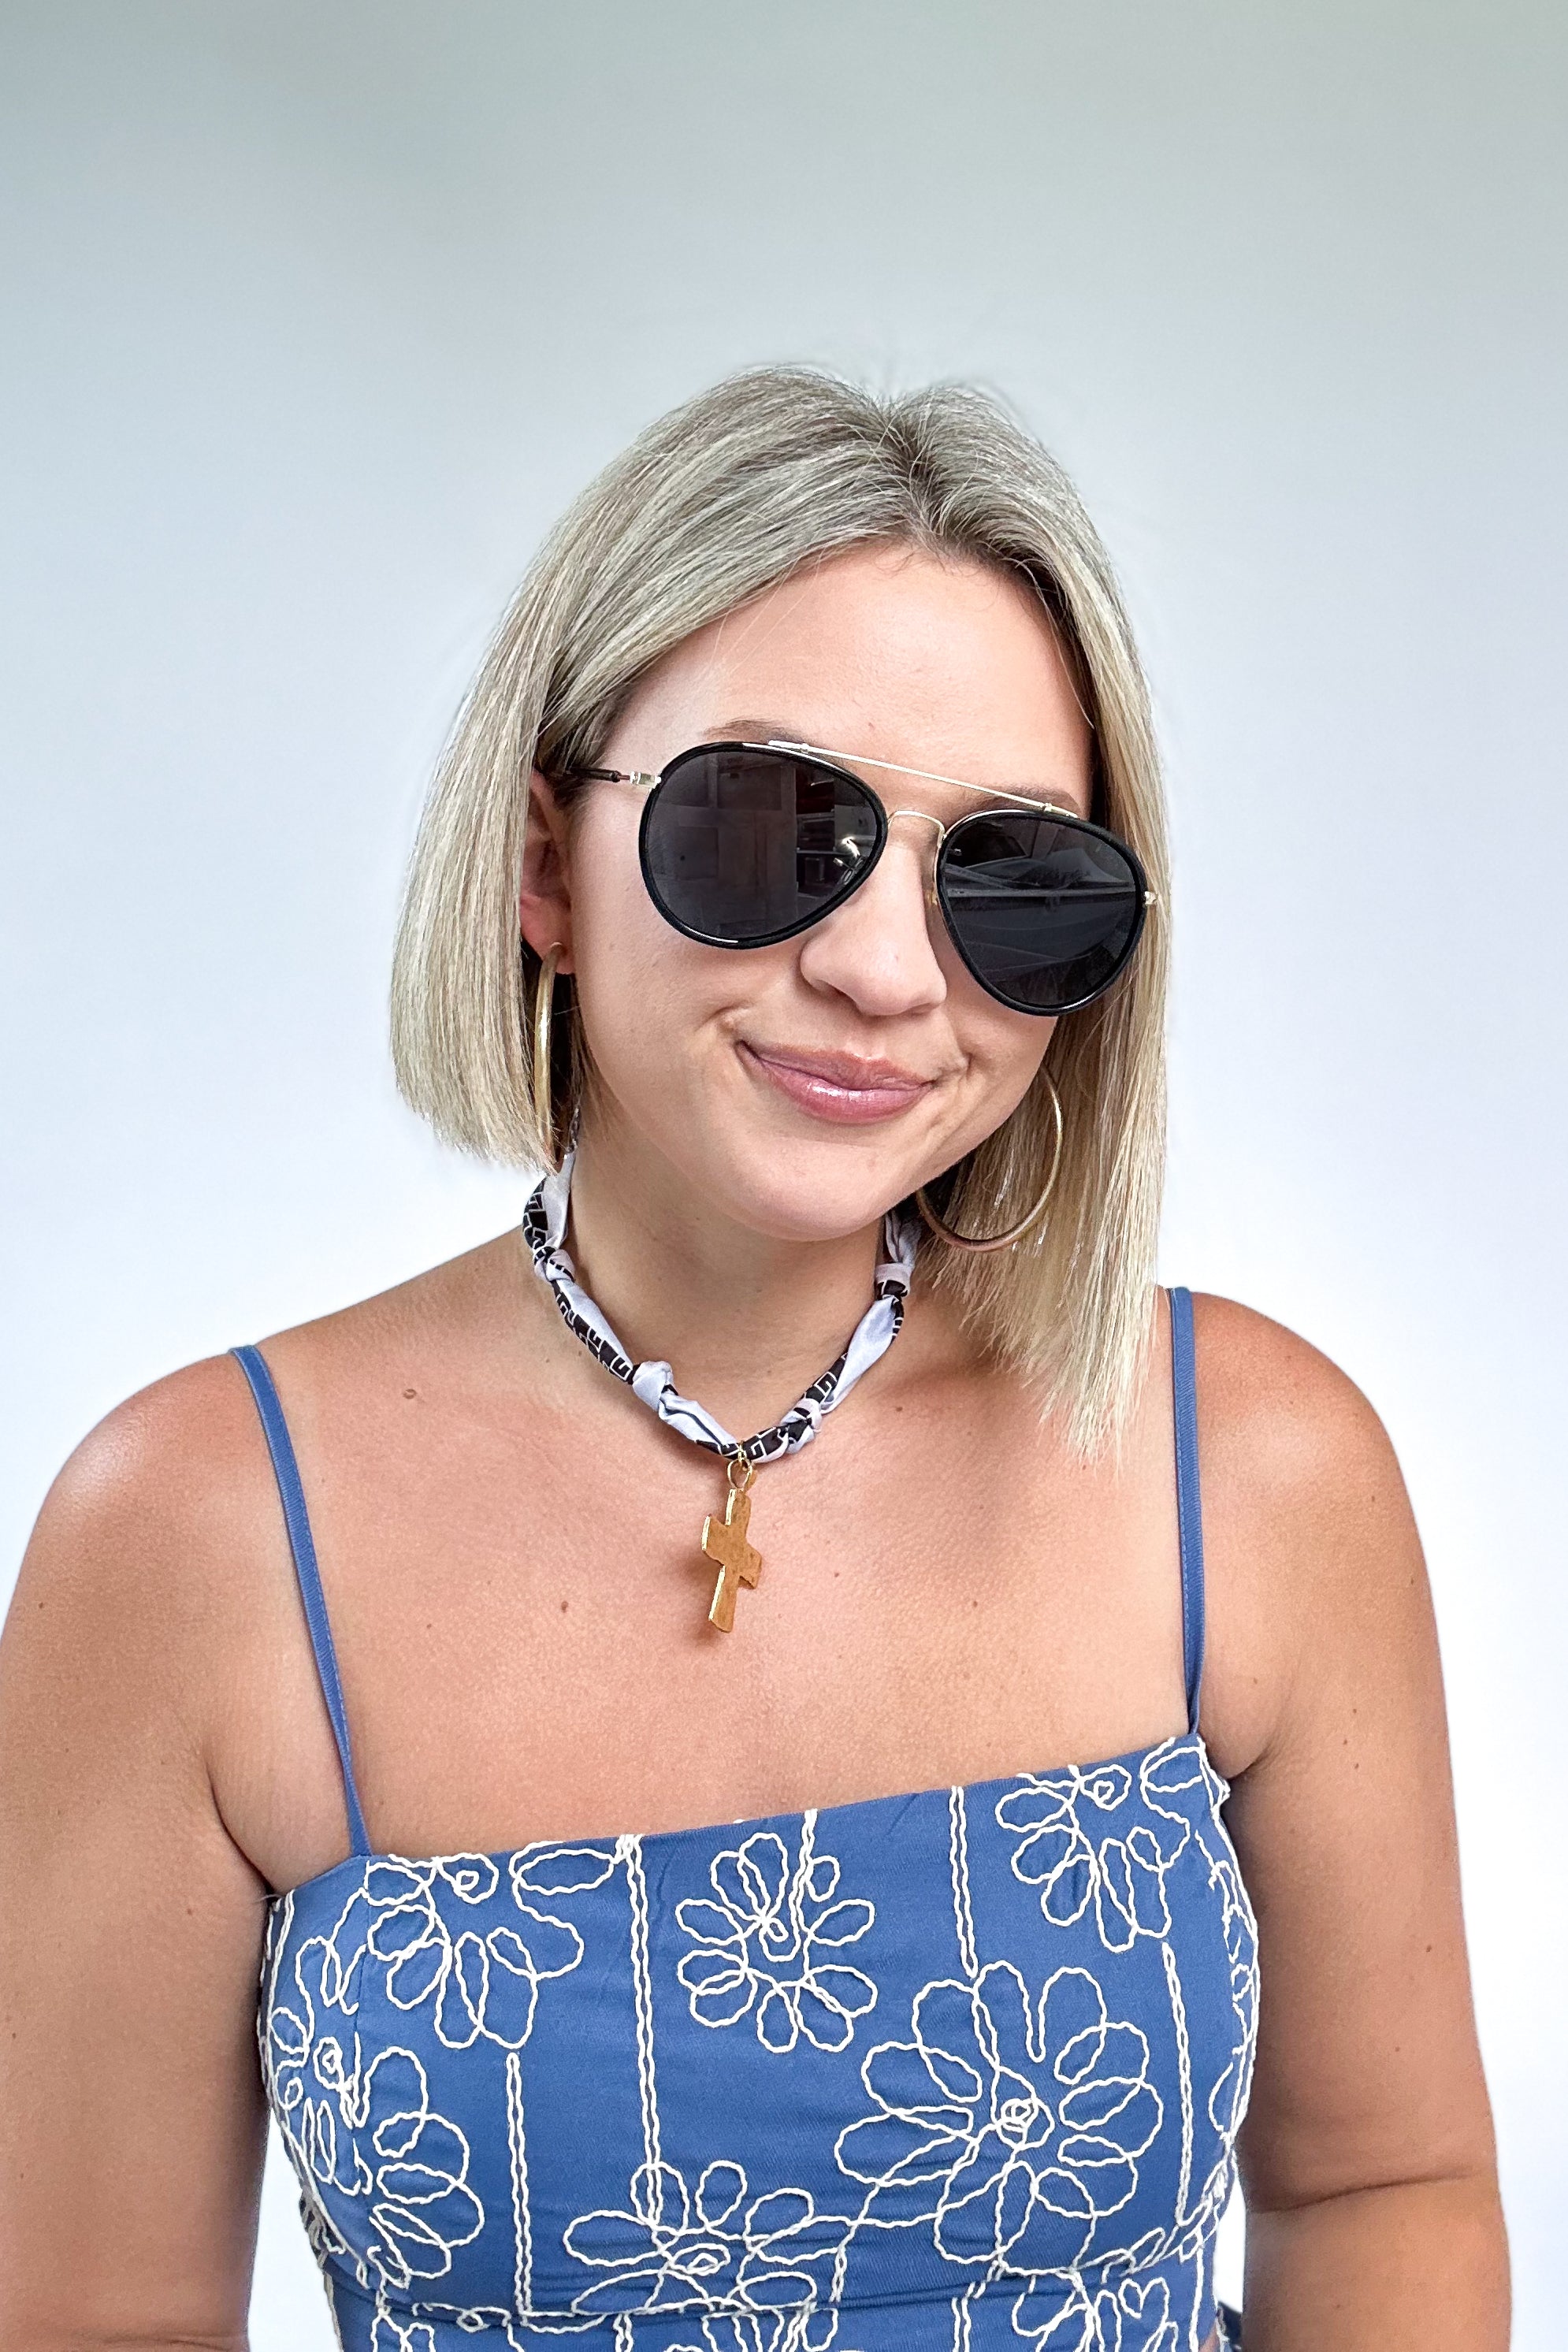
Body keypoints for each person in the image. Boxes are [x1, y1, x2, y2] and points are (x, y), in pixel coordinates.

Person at [0, 369, 1507, 2352]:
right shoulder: (198, 1535)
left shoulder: (1249, 1463)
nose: (883, 970)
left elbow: (1382, 2186)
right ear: (544, 863)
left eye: (1008, 879)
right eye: (771, 827)